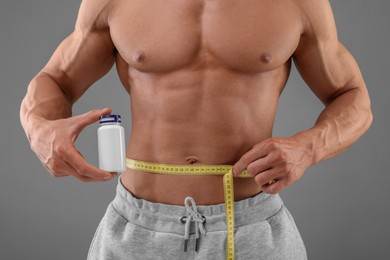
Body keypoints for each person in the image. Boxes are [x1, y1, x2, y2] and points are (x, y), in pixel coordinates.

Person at [20, 0, 372, 259]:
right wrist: (39, 127)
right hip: (138, 226)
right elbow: (56, 79)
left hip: (251, 226)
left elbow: (354, 98)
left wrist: (307, 148)